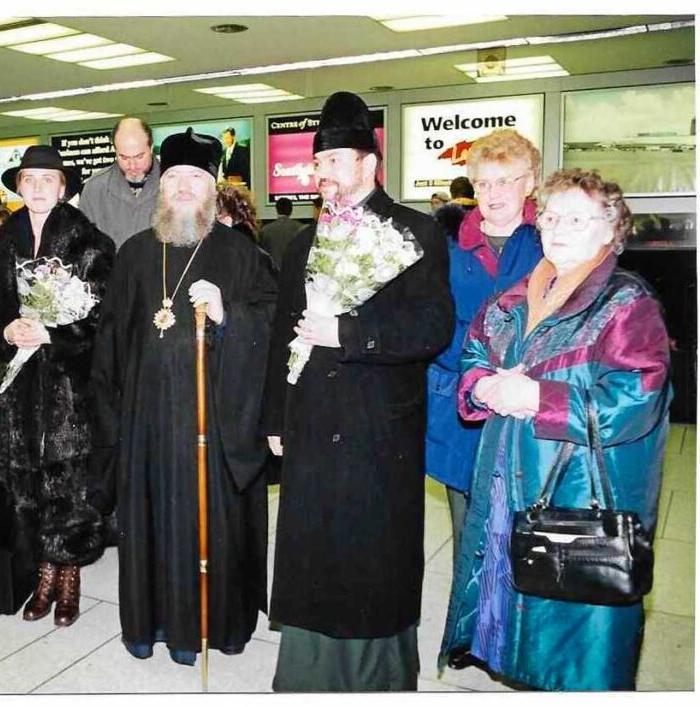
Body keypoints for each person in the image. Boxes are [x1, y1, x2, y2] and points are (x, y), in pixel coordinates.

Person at [439, 168, 671, 691]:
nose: (559, 227)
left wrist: (539, 397)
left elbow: (637, 399)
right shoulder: (516, 297)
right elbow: (475, 352)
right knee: (512, 600)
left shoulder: (625, 304)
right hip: (509, 476)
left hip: (578, 489)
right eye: (550, 216)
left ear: (612, 231)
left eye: (577, 218)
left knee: (570, 627)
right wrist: (481, 387)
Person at [262, 91, 453, 691]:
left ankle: (377, 676)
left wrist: (347, 332)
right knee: (313, 546)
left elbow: (431, 327)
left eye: (334, 163)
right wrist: (274, 415)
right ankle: (307, 671)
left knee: (374, 551)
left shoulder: (416, 231)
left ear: (369, 164)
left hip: (380, 425)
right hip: (313, 420)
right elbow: (280, 335)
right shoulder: (301, 244)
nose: (322, 177)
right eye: (318, 166)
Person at [92, 128, 277, 665]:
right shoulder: (133, 254)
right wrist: (112, 425)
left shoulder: (242, 254)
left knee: (212, 526)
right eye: (174, 178)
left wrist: (226, 315)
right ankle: (148, 625)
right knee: (148, 523)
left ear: (214, 189)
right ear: (160, 188)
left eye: (197, 178)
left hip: (215, 426)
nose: (184, 188)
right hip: (146, 424)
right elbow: (110, 342)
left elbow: (269, 325)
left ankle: (216, 626)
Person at [0, 145, 114, 626]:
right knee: (23, 481)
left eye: (47, 179)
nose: (37, 188)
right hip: (16, 384)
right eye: (28, 179)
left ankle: (66, 574)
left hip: (69, 387)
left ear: (63, 187)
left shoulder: (90, 243)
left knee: (68, 482)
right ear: (17, 186)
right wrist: (6, 331)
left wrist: (53, 333)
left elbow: (102, 320)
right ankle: (41, 571)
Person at [425, 130, 543, 563]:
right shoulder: (445, 244)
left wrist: (522, 370)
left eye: (506, 181)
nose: (493, 194)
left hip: (527, 402)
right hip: (459, 403)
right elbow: (429, 319)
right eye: (483, 183)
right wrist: (482, 372)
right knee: (468, 528)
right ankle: (468, 627)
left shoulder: (550, 241)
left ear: (530, 182)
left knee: (523, 527)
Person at [80, 116, 161, 251]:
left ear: (151, 147)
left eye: (139, 156)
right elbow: (84, 245)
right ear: (115, 151)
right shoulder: (95, 188)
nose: (132, 165)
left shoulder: (173, 185)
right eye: (123, 157)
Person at [258, 197, 303, 270]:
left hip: (273, 274)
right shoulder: (301, 229)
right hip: (294, 272)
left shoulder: (265, 231)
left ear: (277, 210)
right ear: (291, 210)